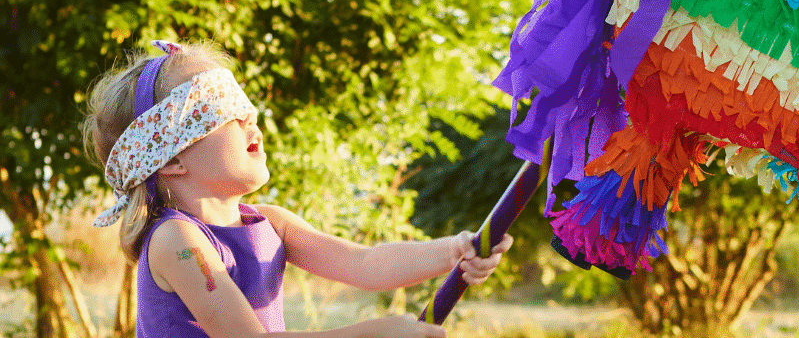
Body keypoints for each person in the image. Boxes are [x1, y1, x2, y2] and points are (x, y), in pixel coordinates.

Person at [81, 40, 512, 338]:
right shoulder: (175, 240)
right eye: (222, 111)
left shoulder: (272, 224)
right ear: (171, 159)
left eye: (244, 104)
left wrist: (454, 251)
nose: (250, 118)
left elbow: (365, 265)